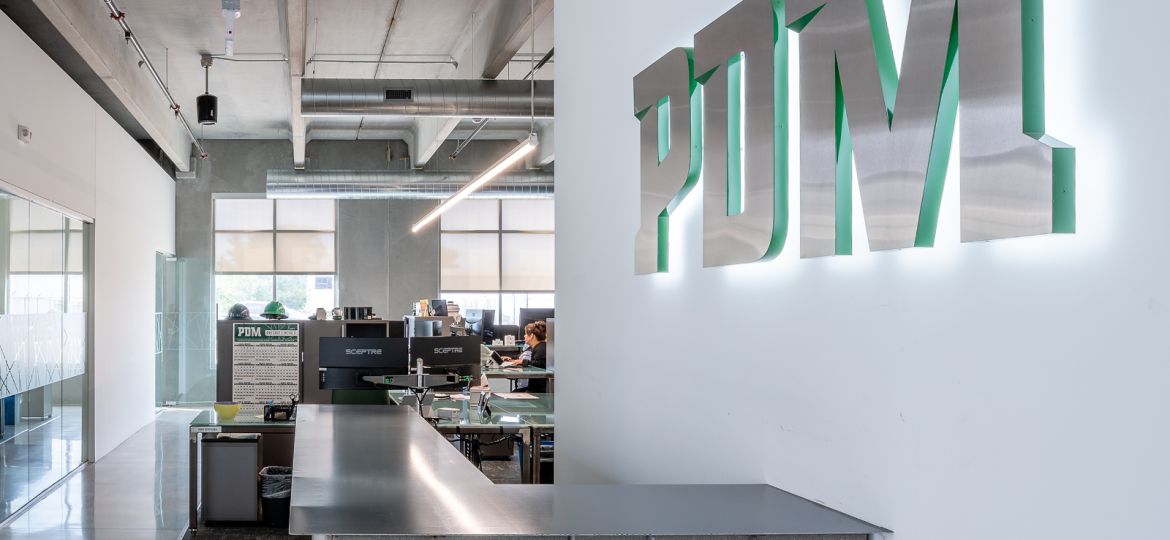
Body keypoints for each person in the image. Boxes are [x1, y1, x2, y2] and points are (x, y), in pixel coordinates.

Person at [501, 321, 547, 393]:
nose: (524, 336)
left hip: (537, 390)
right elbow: (521, 355)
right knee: (514, 392)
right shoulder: (535, 346)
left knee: (513, 393)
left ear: (531, 336)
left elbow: (540, 364)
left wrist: (524, 362)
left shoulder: (541, 348)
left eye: (525, 334)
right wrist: (511, 359)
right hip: (533, 387)